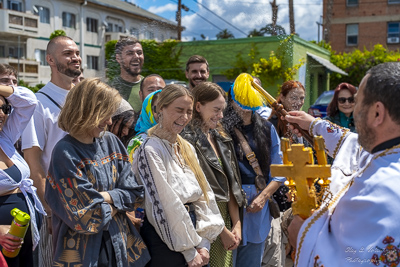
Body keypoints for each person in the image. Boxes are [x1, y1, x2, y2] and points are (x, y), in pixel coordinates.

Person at [285, 62, 400, 266]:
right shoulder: (388, 153)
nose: (354, 112)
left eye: (358, 103)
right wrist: (313, 124)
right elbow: (352, 144)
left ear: (377, 113)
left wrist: (303, 237)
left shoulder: (383, 193)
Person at [45, 78, 150, 267]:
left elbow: (136, 195)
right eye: (105, 115)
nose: (109, 122)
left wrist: (104, 197)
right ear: (86, 110)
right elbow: (88, 218)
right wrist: (118, 202)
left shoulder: (111, 141)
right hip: (84, 255)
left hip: (121, 248)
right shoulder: (65, 152)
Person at [132, 84, 224, 267]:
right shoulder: (149, 149)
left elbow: (205, 194)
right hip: (165, 239)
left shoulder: (186, 147)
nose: (185, 117)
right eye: (179, 110)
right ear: (161, 109)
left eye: (189, 112)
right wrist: (189, 252)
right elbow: (163, 205)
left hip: (194, 234)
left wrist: (204, 243)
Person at [21, 35, 82, 267]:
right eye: (67, 54)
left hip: (87, 204)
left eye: (76, 53)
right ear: (50, 60)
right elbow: (34, 164)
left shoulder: (82, 98)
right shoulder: (38, 105)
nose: (75, 58)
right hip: (58, 209)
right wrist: (48, 210)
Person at [181, 82, 246, 267]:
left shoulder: (222, 137)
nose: (221, 116)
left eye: (222, 110)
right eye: (216, 109)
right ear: (198, 106)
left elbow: (232, 183)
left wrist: (237, 223)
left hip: (226, 217)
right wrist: (222, 230)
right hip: (206, 220)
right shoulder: (186, 140)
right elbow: (196, 191)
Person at [222, 87, 284, 267]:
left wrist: (263, 197)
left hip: (258, 204)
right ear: (231, 100)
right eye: (239, 98)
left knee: (252, 261)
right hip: (229, 203)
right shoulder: (221, 130)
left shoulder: (267, 128)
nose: (244, 104)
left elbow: (278, 171)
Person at [0, 83, 46, 266]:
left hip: (23, 240)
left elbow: (28, 101)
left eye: (4, 108)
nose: (2, 114)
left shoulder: (5, 137)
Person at [110, 37, 144, 112]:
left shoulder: (150, 86)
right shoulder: (109, 89)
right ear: (118, 58)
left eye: (139, 53)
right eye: (130, 53)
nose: (136, 57)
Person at [127, 90, 161, 161]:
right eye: (157, 108)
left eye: (167, 107)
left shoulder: (176, 140)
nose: (162, 112)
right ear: (148, 110)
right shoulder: (138, 143)